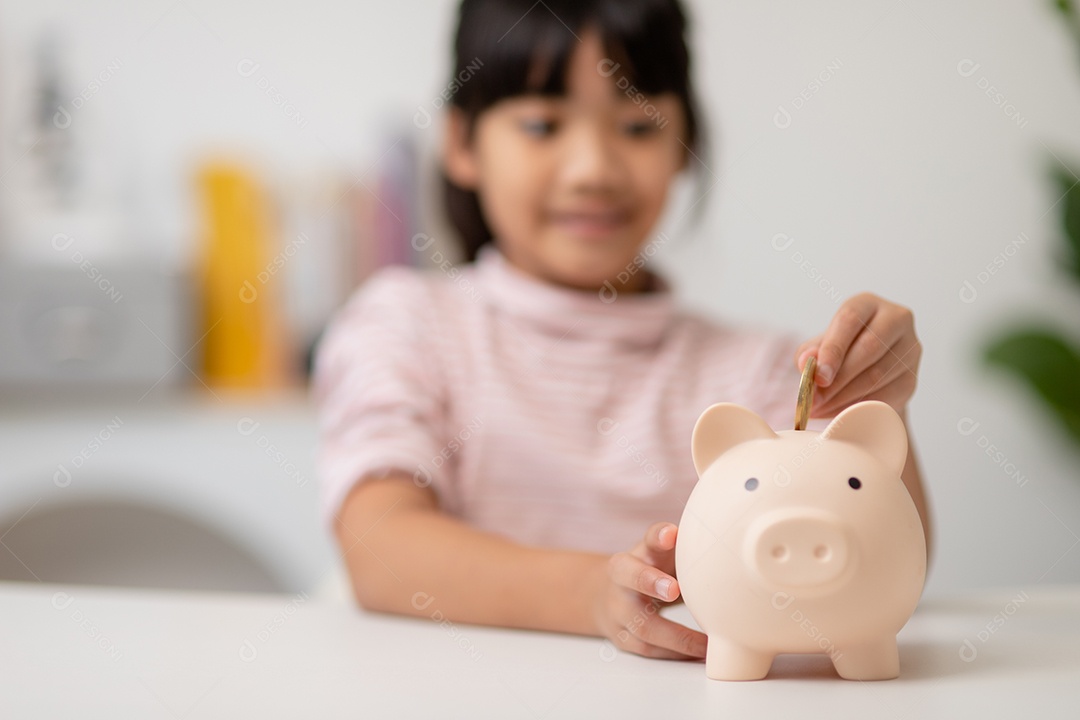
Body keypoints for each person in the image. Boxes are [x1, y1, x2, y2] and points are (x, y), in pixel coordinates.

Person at [314, 0, 931, 662]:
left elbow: (885, 570)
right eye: (541, 124)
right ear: (462, 145)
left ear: (684, 145)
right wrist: (590, 595)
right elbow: (379, 544)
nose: (594, 171)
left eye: (638, 125)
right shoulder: (409, 325)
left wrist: (871, 403)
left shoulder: (764, 373)